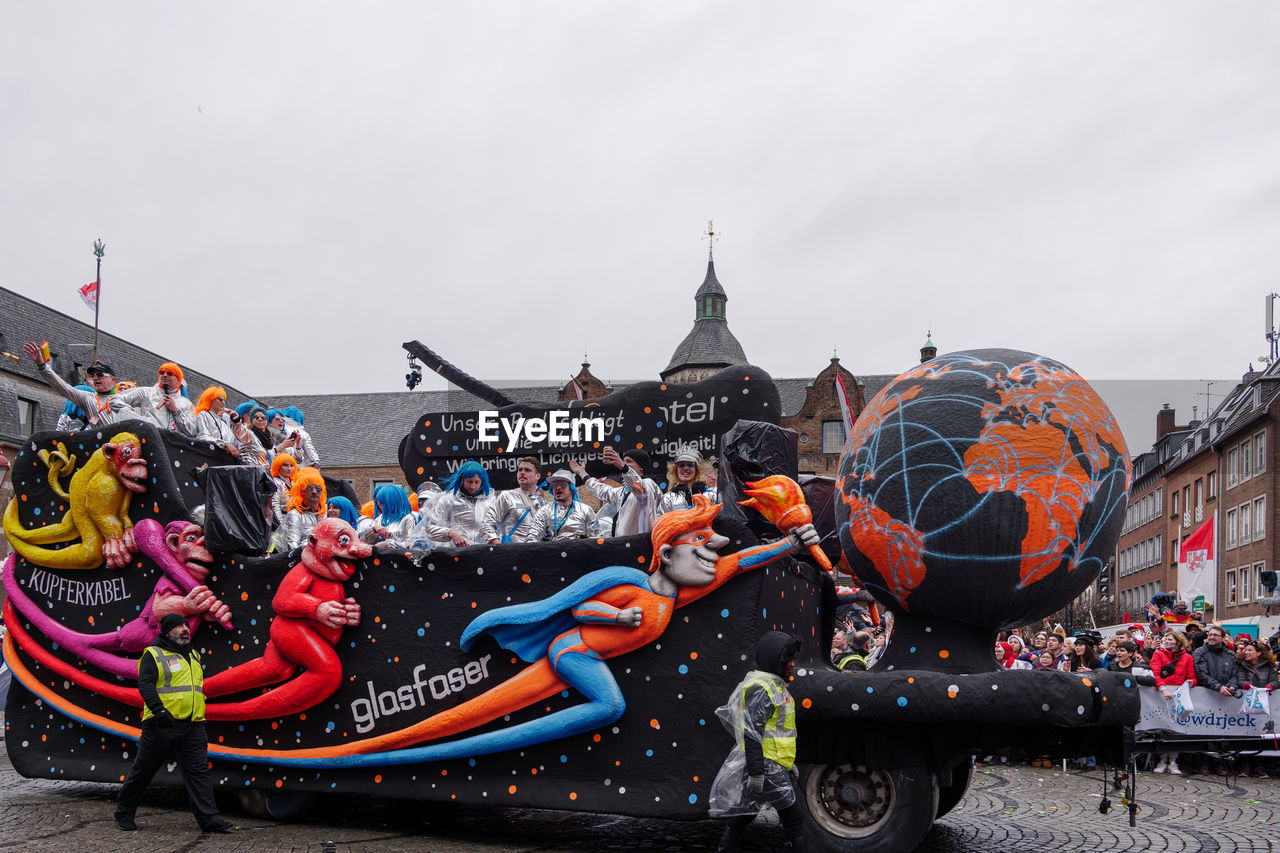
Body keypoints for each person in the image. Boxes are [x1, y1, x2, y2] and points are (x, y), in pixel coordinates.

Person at [113, 613, 234, 833]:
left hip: (193, 725)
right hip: (161, 724)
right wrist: (159, 710)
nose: (185, 629)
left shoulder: (193, 655)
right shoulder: (154, 654)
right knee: (143, 772)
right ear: (167, 632)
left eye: (186, 625)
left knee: (199, 774)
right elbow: (146, 684)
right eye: (179, 626)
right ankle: (124, 813)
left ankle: (209, 819)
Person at [709, 631, 806, 852]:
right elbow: (752, 733)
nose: (793, 664)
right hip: (766, 766)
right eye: (789, 659)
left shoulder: (772, 685)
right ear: (776, 659)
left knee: (742, 818)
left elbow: (777, 733)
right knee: (795, 822)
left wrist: (787, 765)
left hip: (769, 765)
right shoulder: (761, 688)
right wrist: (757, 772)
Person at [23, 342, 122, 427]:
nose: (96, 378)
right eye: (93, 375)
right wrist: (42, 365)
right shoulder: (88, 398)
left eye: (100, 375)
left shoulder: (124, 398)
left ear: (112, 380)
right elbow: (63, 387)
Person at [570, 447, 662, 537]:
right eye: (624, 461)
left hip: (642, 545)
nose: (624, 464)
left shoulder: (649, 485)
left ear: (641, 467)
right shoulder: (622, 492)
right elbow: (601, 489)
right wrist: (582, 473)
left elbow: (639, 488)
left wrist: (623, 467)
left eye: (629, 461)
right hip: (624, 545)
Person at [1150, 631, 1195, 774]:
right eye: (1165, 639)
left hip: (1179, 696)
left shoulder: (1187, 658)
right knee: (1162, 727)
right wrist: (1163, 689)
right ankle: (1163, 759)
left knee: (1177, 729)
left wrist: (1190, 683)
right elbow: (1155, 674)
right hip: (1162, 695)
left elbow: (1192, 677)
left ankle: (1174, 761)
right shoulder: (1158, 654)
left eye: (1170, 639)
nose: (1166, 641)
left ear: (1178, 642)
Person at [111, 363, 198, 437]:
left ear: (178, 379)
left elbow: (193, 432)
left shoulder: (186, 403)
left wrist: (176, 411)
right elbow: (114, 400)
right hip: (148, 441)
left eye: (169, 373)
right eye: (162, 372)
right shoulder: (146, 392)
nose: (164, 375)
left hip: (172, 448)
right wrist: (139, 419)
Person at [482, 457, 550, 544]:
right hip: (510, 554)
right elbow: (487, 523)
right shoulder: (507, 496)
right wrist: (499, 547)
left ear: (538, 476)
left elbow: (550, 534)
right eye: (520, 470)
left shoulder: (543, 503)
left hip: (535, 554)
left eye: (527, 470)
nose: (522, 472)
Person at [427, 460, 495, 547]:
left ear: (482, 481)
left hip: (485, 553)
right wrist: (450, 533)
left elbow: (500, 527)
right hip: (458, 554)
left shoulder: (491, 501)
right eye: (469, 482)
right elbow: (430, 528)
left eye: (477, 482)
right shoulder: (448, 500)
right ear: (462, 480)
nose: (473, 486)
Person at [530, 469, 599, 541]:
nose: (558, 488)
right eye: (554, 485)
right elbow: (534, 534)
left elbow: (596, 538)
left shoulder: (586, 510)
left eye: (563, 485)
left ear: (571, 488)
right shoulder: (544, 511)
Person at [273, 467, 326, 552]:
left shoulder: (326, 512)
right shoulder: (294, 515)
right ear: (302, 491)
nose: (314, 491)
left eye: (318, 489)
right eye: (310, 488)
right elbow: (293, 546)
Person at [358, 484, 423, 549]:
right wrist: (374, 529)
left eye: (382, 503)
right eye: (378, 502)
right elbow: (364, 539)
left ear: (392, 503)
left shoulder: (408, 518)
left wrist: (388, 544)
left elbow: (411, 544)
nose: (379, 504)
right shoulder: (381, 518)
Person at [659, 447, 714, 515]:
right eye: (681, 465)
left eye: (690, 464)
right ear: (676, 470)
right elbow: (662, 524)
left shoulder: (711, 495)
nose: (685, 468)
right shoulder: (668, 499)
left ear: (697, 469)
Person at [1193, 625, 1239, 699]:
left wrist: (1232, 686)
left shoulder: (1231, 655)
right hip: (1205, 696)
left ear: (1223, 638)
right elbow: (1201, 674)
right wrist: (1218, 687)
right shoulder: (1199, 652)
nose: (1211, 637)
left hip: (1226, 697)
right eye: (1210, 634)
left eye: (1215, 635)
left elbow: (1234, 675)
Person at [270, 453, 298, 527]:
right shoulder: (276, 482)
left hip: (295, 521)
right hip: (283, 521)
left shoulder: (294, 482)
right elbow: (274, 505)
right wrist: (281, 526)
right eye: (285, 465)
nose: (289, 469)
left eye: (292, 466)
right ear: (278, 466)